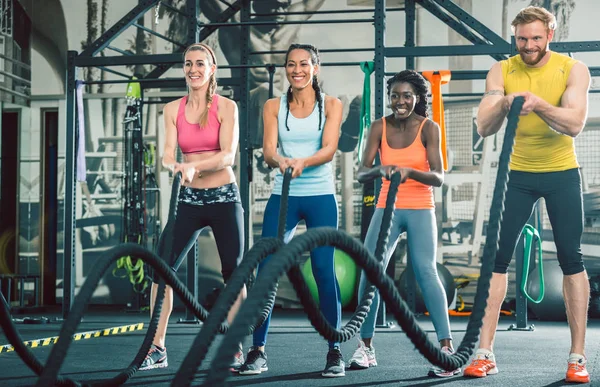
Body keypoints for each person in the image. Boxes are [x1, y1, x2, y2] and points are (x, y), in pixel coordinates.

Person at [463, 6, 591, 384]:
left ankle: (577, 356)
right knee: (496, 259)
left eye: (536, 38)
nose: (528, 45)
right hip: (516, 175)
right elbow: (484, 126)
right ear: (514, 37)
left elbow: (575, 124)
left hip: (562, 173)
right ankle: (485, 353)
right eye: (522, 39)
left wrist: (538, 104)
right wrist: (503, 102)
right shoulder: (502, 70)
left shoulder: (572, 69)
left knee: (571, 257)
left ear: (550, 34)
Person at [237, 43, 345, 377]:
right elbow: (269, 150)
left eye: (304, 63)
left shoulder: (332, 105)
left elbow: (328, 150)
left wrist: (302, 162)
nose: (296, 69)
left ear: (316, 67)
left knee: (324, 271)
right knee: (267, 269)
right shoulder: (273, 106)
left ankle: (334, 350)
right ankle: (258, 351)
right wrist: (280, 161)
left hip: (320, 196)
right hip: (283, 195)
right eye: (290, 64)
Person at [140, 43, 247, 372]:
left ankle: (235, 348)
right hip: (187, 200)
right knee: (161, 272)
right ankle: (157, 348)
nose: (193, 69)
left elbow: (228, 155)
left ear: (212, 68)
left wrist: (195, 167)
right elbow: (167, 155)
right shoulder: (172, 109)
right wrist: (177, 165)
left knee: (234, 273)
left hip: (223, 197)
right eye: (188, 64)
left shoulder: (227, 107)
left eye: (200, 63)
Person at [350, 70, 459, 378]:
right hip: (387, 207)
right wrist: (382, 169)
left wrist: (409, 173)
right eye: (395, 96)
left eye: (407, 96)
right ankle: (365, 347)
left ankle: (446, 349)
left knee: (426, 271)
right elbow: (361, 173)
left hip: (420, 208)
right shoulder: (378, 127)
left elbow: (438, 176)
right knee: (370, 271)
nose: (400, 101)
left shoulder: (428, 127)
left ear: (417, 98)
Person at [201, 0, 326, 148]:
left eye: (284, 6)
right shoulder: (239, 27)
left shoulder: (290, 24)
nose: (281, 11)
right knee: (265, 91)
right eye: (274, 6)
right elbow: (210, 5)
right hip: (250, 110)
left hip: (280, 113)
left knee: (318, 90)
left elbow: (310, 4)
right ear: (260, 6)